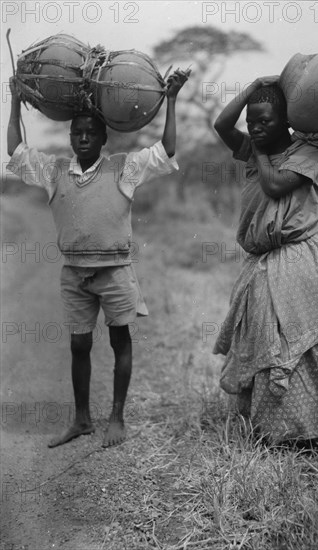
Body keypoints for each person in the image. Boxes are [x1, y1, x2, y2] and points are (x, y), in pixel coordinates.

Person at [7, 69, 190, 448]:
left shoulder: (124, 167)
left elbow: (166, 150)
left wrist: (170, 99)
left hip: (115, 271)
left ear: (104, 138)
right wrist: (13, 99)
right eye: (78, 133)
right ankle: (82, 419)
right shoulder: (55, 170)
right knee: (79, 345)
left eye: (91, 132)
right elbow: (16, 150)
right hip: (75, 274)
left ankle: (117, 419)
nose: (84, 137)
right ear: (71, 137)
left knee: (121, 342)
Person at [212, 76, 318, 448]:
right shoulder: (254, 145)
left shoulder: (306, 152)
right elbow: (221, 124)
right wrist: (253, 87)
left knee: (305, 345)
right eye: (252, 121)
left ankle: (317, 430)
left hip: (299, 259)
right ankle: (273, 432)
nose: (255, 128)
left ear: (286, 121)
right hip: (261, 261)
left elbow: (274, 185)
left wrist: (256, 149)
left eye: (265, 121)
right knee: (264, 339)